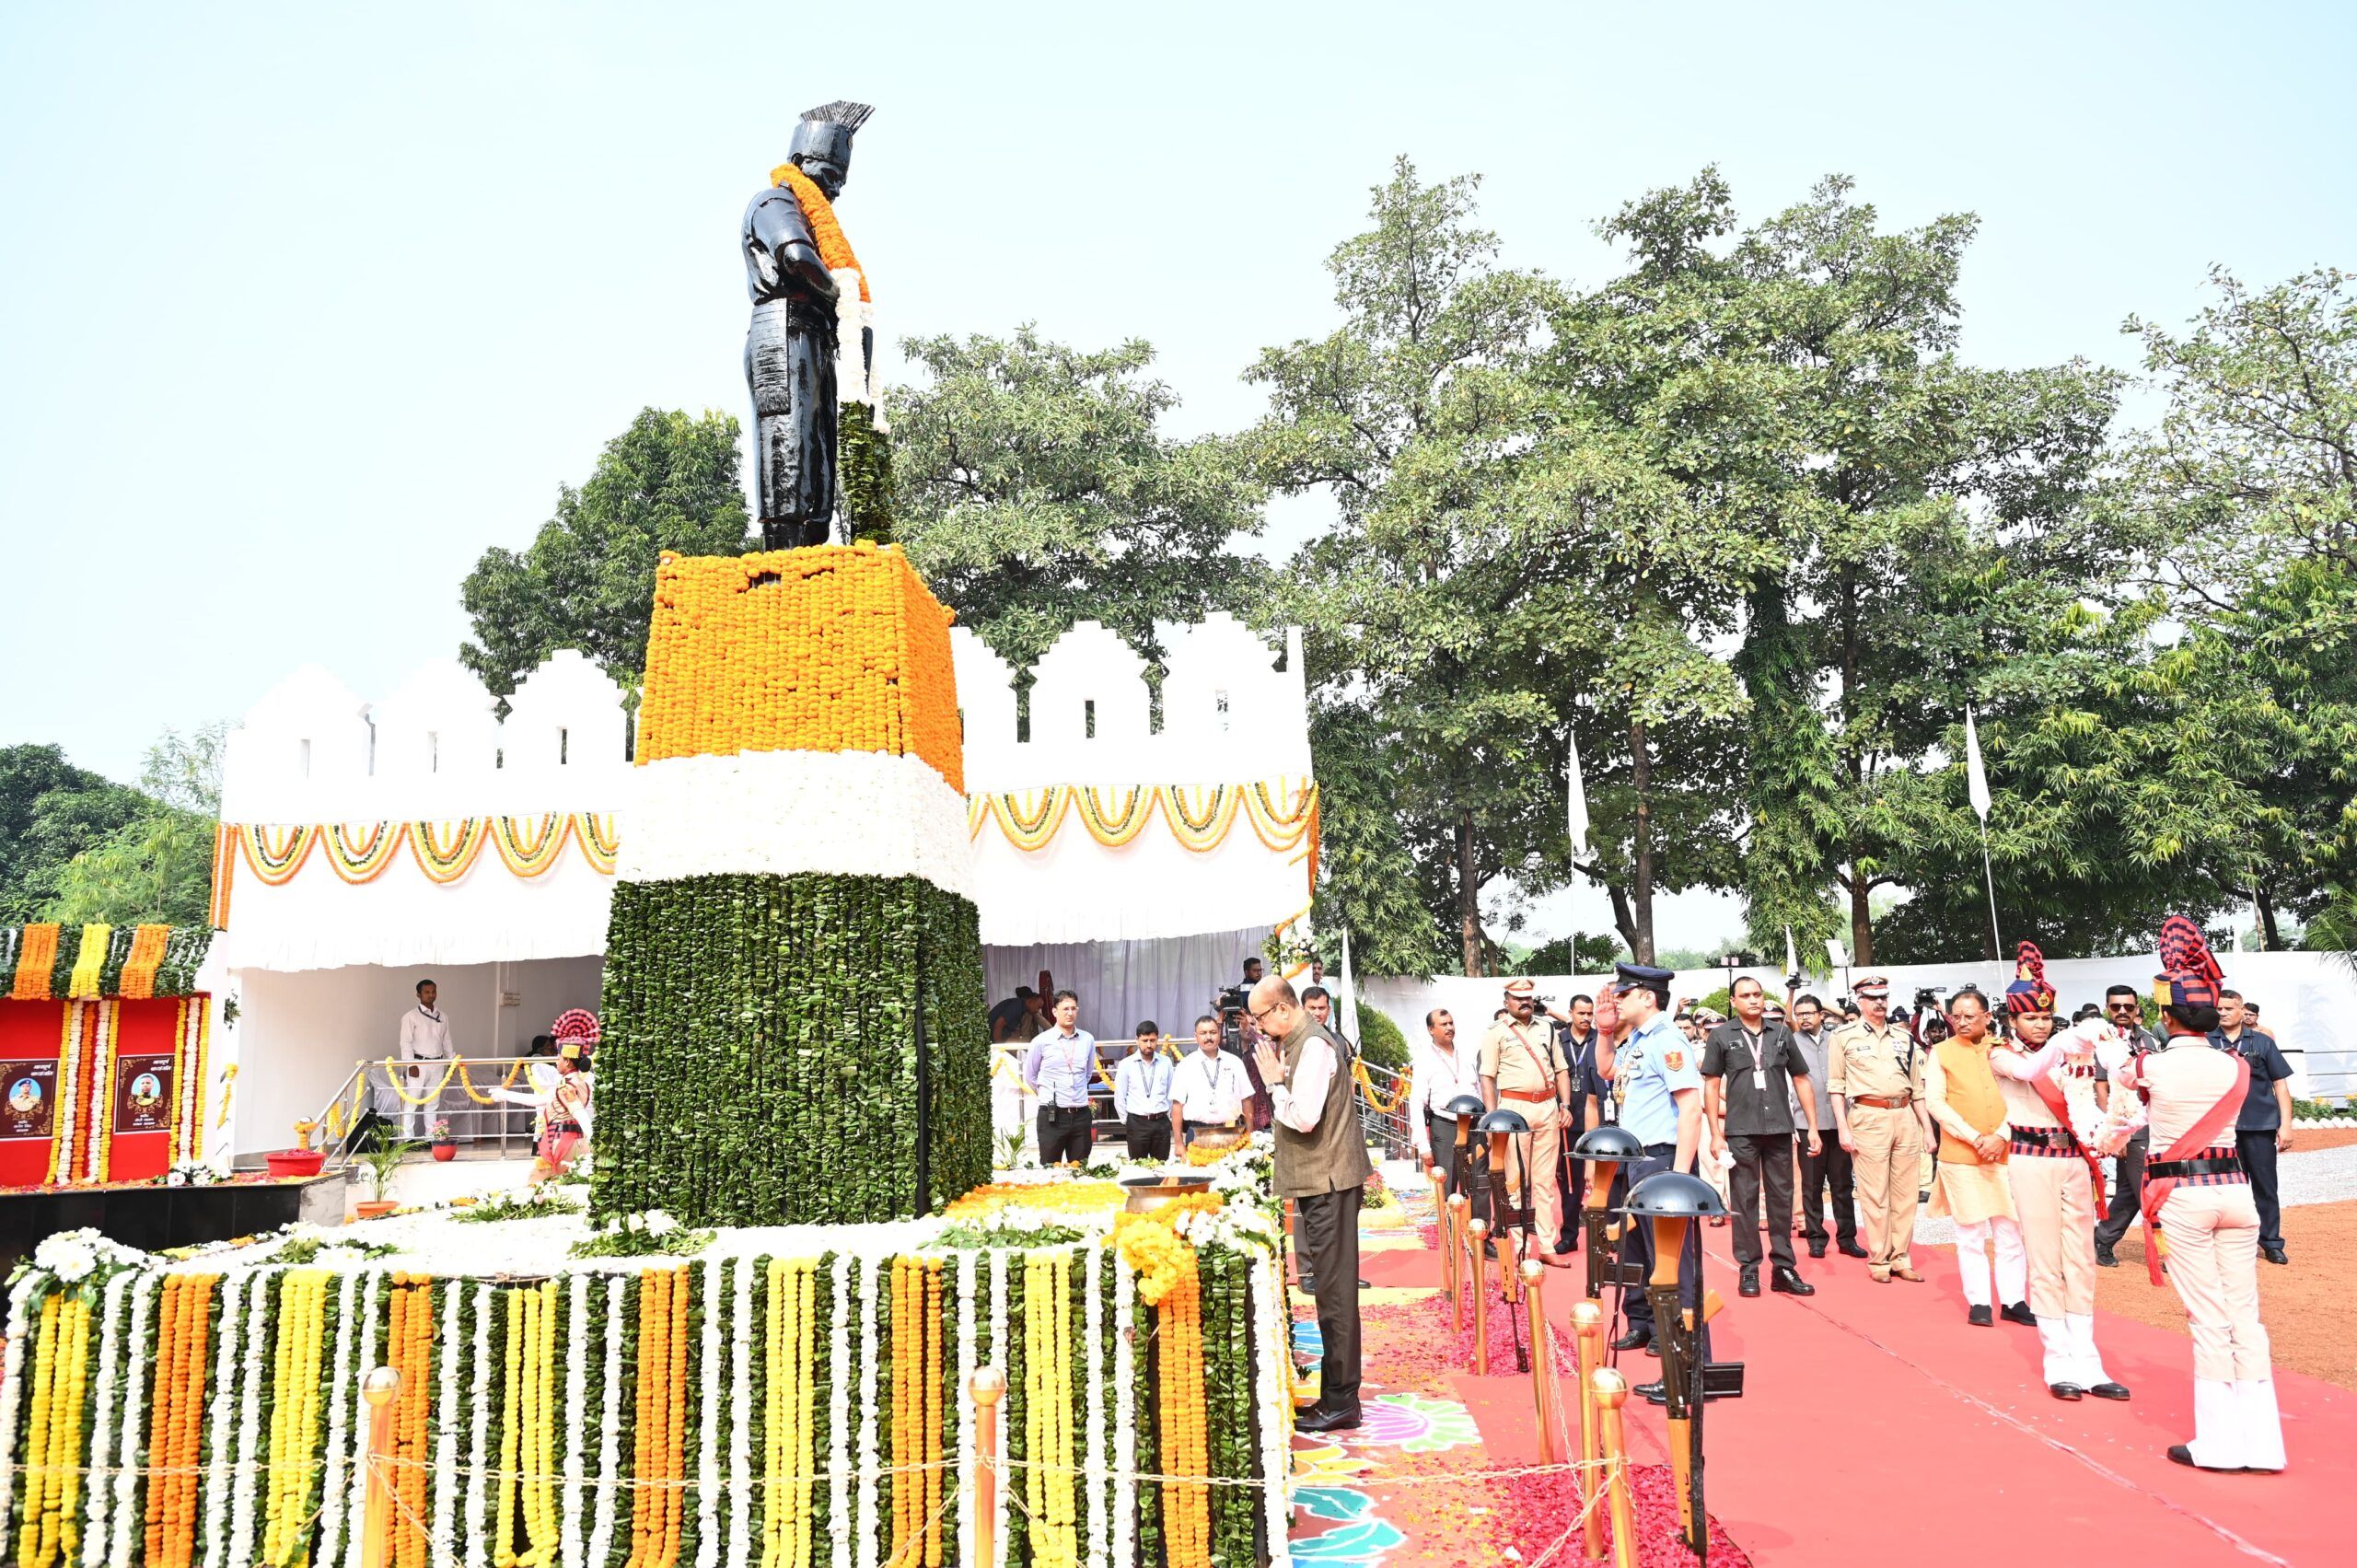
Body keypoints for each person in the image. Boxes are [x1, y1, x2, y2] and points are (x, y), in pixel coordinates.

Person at [2100, 917, 2284, 1472]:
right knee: (2244, 1316)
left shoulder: (2149, 1064)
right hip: (2234, 1190)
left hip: (2184, 1194)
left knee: (2207, 1319)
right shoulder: (2232, 1062)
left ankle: (2220, 1444)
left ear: (2165, 1015)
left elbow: (2121, 1096)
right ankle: (2263, 1443)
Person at [1991, 946, 2129, 1400]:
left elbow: (2085, 1104)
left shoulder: (2072, 1053)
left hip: (2074, 1161)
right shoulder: (1999, 1053)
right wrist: (2064, 1044)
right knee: (2046, 1260)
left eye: (2047, 1018)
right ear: (2014, 1021)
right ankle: (2057, 1361)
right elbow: (2031, 1069)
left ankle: (2088, 1359)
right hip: (2031, 1158)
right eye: (2031, 1019)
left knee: (2083, 1260)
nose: (2041, 1024)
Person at [1250, 975, 1374, 1433]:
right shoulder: (1299, 1041)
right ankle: (1335, 1394)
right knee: (1327, 1289)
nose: (1261, 1031)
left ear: (1283, 1009)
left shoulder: (1316, 1046)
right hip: (1321, 1182)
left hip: (1331, 1183)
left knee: (1336, 1294)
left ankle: (1342, 1399)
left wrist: (1272, 1084)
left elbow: (1304, 1117)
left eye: (1262, 1019)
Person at [1604, 964, 1707, 1373]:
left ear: (1648, 997)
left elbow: (1691, 1109)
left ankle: (1689, 1369)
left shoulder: (1667, 1040)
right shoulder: (1636, 1041)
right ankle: (1674, 1364)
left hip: (1663, 1162)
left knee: (1676, 1268)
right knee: (1653, 1263)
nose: (1617, 1000)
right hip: (1641, 1163)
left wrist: (1678, 1178)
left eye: (1624, 994)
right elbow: (1608, 1071)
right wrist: (1603, 1029)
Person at [1701, 976, 1819, 1297]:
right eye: (1746, 995)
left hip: (1780, 1128)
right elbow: (1711, 1085)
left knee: (1782, 1200)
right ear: (1733, 1002)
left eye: (1758, 994)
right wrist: (1715, 1134)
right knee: (1745, 1200)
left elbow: (1801, 1079)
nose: (1754, 1000)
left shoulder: (1781, 1032)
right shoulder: (1721, 1036)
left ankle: (1783, 1267)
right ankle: (1749, 1269)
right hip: (1741, 1131)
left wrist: (1813, 1127)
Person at [1923, 988, 2031, 1327]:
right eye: (1956, 1015)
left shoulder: (2003, 1051)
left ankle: (2014, 1300)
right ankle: (1979, 1302)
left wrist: (2001, 1135)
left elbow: (2021, 1098)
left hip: (2005, 1152)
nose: (1962, 1022)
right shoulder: (1940, 1052)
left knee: (2010, 1229)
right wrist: (1975, 1138)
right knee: (1969, 1231)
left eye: (1970, 1016)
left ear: (1987, 1017)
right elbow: (1935, 1103)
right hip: (1960, 1155)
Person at [1827, 975, 1933, 1284]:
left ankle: (1901, 1257)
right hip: (1868, 1115)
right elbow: (1836, 1087)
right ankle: (1880, 1259)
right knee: (1875, 1194)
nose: (1880, 1003)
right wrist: (1843, 1129)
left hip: (1904, 1116)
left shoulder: (1904, 1038)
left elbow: (1917, 1088)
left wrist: (1927, 1128)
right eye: (1873, 997)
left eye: (1883, 997)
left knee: (1906, 1193)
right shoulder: (1843, 1037)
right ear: (1859, 1000)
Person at [1479, 979, 1575, 1266]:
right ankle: (1519, 1248)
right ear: (1506, 1000)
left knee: (1545, 1182)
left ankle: (1546, 1246)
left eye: (1528, 998)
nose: (1524, 1002)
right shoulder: (1496, 1032)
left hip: (1547, 1106)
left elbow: (1562, 1069)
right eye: (1518, 998)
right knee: (1515, 1182)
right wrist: (1491, 1119)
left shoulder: (1547, 1027)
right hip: (1513, 1108)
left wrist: (1565, 1104)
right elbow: (1487, 1077)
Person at [2212, 989, 2294, 1265]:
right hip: (2221, 1130)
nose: (2222, 1013)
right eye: (2219, 1009)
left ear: (2241, 1010)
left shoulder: (2262, 1042)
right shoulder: (2207, 1043)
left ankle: (2271, 1242)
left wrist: (2286, 1125)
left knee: (2265, 1187)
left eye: (2228, 1008)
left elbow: (2280, 1084)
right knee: (2223, 1189)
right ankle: (2225, 1243)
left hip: (2260, 1127)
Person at [1787, 993, 1863, 1260]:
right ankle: (1816, 1238)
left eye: (1810, 1012)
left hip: (1839, 1121)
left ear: (1821, 1015)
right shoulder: (1790, 1042)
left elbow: (1848, 1018)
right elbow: (1786, 1084)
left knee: (1842, 1184)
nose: (1805, 1017)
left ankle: (1847, 1238)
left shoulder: (1837, 1039)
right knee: (1812, 1185)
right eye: (1800, 1013)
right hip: (1807, 1124)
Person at [2094, 983, 2163, 1267]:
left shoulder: (2150, 1040)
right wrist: (2116, 1133)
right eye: (2116, 1007)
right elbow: (2100, 1090)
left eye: (2128, 1007)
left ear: (2136, 1009)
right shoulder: (2101, 1042)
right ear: (2107, 1009)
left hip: (2153, 1125)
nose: (2122, 1012)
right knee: (2148, 1190)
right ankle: (2169, 1251)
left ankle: (2102, 1238)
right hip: (2126, 1127)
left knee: (2129, 1191)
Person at [1408, 1007, 1487, 1225]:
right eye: (1443, 1024)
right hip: (1445, 1126)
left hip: (1473, 1125)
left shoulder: (1466, 1054)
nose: (1450, 1028)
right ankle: (1450, 1237)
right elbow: (1416, 1102)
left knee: (1479, 1182)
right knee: (1448, 1185)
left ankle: (1481, 1234)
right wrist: (1422, 1146)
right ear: (1431, 1030)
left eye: (1451, 1023)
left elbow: (1478, 1090)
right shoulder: (1424, 1061)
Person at [1023, 990, 1097, 1167]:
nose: (1070, 1013)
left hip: (1080, 1114)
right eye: (1065, 1009)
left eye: (1073, 1008)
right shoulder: (1041, 1041)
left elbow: (1087, 1074)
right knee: (1050, 1167)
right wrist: (1048, 1096)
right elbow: (1030, 1076)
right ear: (1055, 1012)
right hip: (1052, 1115)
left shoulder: (1087, 1039)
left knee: (1080, 1169)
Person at [1170, 1015, 1251, 1145]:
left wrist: (1249, 1137)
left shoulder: (1235, 1062)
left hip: (1232, 1131)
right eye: (1203, 1033)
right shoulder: (1185, 1065)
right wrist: (1179, 1144)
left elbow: (1246, 1100)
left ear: (1219, 1033)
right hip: (1197, 1133)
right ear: (1196, 1036)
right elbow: (1177, 1106)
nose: (1208, 1037)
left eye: (1213, 1032)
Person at [397, 978, 457, 1141]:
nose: (431, 995)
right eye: (427, 992)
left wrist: (452, 1061)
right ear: (418, 994)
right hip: (419, 1063)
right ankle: (407, 1139)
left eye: (433, 991)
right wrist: (410, 1064)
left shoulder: (442, 1015)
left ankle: (431, 1137)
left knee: (433, 1102)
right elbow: (405, 1041)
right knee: (412, 1101)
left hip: (438, 1063)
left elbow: (447, 1040)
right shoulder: (411, 1016)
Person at [1114, 1023, 1176, 1160]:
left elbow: (1171, 1093)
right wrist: (1127, 1120)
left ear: (1157, 1040)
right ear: (1137, 1040)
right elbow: (1120, 1096)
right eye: (1145, 1040)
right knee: (1137, 1168)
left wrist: (1168, 1117)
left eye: (1152, 1040)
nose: (1149, 1045)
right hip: (1137, 1123)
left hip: (1161, 1123)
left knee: (1161, 1168)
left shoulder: (1166, 1063)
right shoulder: (1126, 1064)